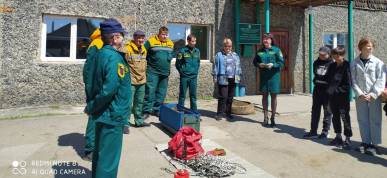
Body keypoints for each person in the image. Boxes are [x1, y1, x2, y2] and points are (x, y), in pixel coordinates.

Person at [84, 18, 131, 178]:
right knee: (109, 161)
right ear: (115, 37)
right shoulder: (113, 58)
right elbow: (109, 90)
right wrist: (92, 106)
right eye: (122, 35)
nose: (123, 39)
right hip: (113, 114)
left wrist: (92, 106)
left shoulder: (98, 54)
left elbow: (89, 80)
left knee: (100, 155)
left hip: (102, 114)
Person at [351, 38, 386, 156]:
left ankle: (374, 145)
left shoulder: (378, 63)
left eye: (371, 46)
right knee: (362, 120)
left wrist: (372, 94)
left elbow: (381, 80)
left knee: (375, 120)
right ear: (361, 47)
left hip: (374, 97)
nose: (370, 48)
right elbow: (353, 79)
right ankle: (365, 143)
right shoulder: (354, 62)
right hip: (360, 96)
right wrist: (359, 93)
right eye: (368, 46)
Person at [253, 33, 284, 127]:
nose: (265, 40)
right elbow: (255, 62)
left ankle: (273, 118)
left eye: (267, 39)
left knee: (274, 97)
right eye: (264, 39)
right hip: (264, 77)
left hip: (274, 77)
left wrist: (273, 65)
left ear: (271, 40)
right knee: (264, 97)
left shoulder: (276, 50)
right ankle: (265, 117)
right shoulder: (259, 51)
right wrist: (259, 65)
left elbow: (281, 63)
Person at [143, 26, 174, 118]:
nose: (164, 36)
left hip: (165, 73)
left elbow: (171, 55)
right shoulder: (151, 41)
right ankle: (146, 111)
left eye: (166, 35)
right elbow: (143, 52)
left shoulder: (171, 43)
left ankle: (157, 110)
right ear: (159, 34)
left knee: (161, 92)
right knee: (150, 91)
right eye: (163, 34)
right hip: (153, 71)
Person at [82, 28, 103, 161]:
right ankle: (90, 149)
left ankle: (95, 145)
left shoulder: (99, 43)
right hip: (96, 87)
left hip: (100, 86)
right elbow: (89, 70)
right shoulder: (97, 44)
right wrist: (91, 91)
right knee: (94, 116)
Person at [122, 30, 150, 130]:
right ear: (134, 38)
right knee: (128, 103)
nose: (141, 40)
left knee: (139, 102)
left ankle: (139, 121)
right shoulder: (127, 49)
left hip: (142, 80)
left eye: (142, 38)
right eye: (139, 38)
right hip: (131, 81)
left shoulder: (144, 49)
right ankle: (125, 123)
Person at [303, 46, 333, 139]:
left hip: (327, 91)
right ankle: (313, 131)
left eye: (323, 54)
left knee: (327, 111)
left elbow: (331, 79)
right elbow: (316, 75)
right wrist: (318, 81)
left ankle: (325, 132)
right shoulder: (316, 62)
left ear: (328, 54)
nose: (321, 56)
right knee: (315, 111)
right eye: (320, 54)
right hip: (317, 90)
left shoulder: (332, 64)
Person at [326, 47, 352, 149]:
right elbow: (328, 80)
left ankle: (348, 138)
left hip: (342, 96)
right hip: (332, 96)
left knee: (345, 117)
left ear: (343, 55)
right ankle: (338, 136)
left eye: (339, 55)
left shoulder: (347, 65)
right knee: (335, 116)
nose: (337, 57)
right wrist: (329, 92)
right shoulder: (331, 66)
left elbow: (348, 83)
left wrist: (336, 90)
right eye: (335, 55)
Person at [212, 38, 242, 120]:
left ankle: (228, 113)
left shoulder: (235, 55)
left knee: (230, 97)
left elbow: (238, 67)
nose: (228, 48)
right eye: (226, 46)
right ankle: (219, 113)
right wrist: (215, 77)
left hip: (233, 78)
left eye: (230, 46)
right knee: (223, 96)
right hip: (223, 78)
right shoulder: (219, 55)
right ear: (223, 46)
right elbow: (215, 67)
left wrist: (238, 78)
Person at [176, 34, 200, 111]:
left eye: (195, 41)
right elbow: (178, 64)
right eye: (192, 41)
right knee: (182, 95)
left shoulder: (197, 51)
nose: (194, 43)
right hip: (185, 76)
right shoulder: (182, 51)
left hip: (193, 77)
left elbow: (198, 63)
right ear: (188, 41)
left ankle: (194, 112)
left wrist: (195, 72)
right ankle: (180, 112)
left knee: (193, 95)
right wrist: (182, 72)